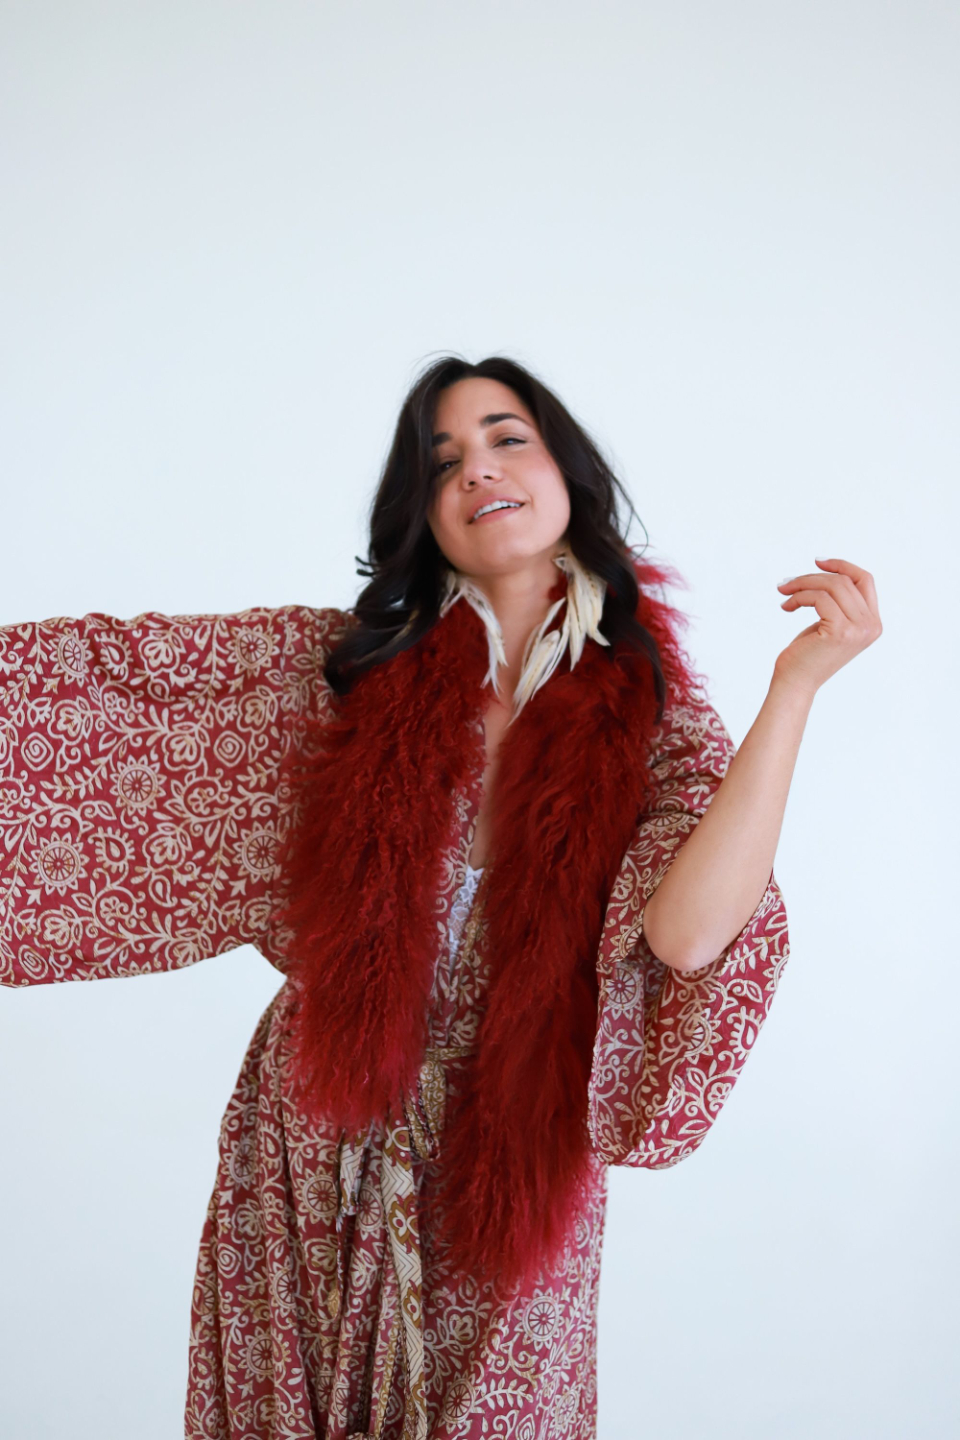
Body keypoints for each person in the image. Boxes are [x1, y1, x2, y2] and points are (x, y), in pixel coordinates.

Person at [0, 354, 882, 1439]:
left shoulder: (648, 714)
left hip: (515, 1152)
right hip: (316, 1134)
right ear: (422, 511)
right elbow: (104, 694)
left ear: (568, 476)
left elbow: (692, 935)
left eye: (508, 438)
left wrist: (795, 687)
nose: (478, 469)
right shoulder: (341, 671)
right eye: (443, 459)